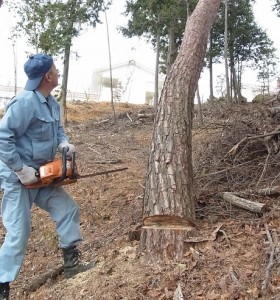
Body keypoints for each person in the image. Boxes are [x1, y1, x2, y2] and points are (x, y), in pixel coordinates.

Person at [0, 54, 93, 300]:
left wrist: (64, 144)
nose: (58, 73)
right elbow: (3, 136)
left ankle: (72, 264)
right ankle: (1, 286)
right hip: (18, 177)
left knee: (68, 209)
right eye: (55, 70)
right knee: (19, 232)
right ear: (47, 76)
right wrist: (20, 169)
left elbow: (58, 130)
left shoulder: (51, 102)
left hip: (42, 174)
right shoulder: (24, 103)